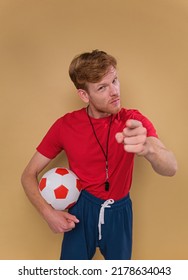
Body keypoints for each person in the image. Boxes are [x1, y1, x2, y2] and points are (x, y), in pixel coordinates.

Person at [21, 50, 177, 260]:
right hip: (82, 209)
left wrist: (150, 149)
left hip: (119, 210)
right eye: (102, 87)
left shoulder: (132, 120)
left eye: (115, 80)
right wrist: (48, 214)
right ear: (84, 95)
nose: (114, 92)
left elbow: (171, 167)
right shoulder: (65, 125)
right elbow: (28, 175)